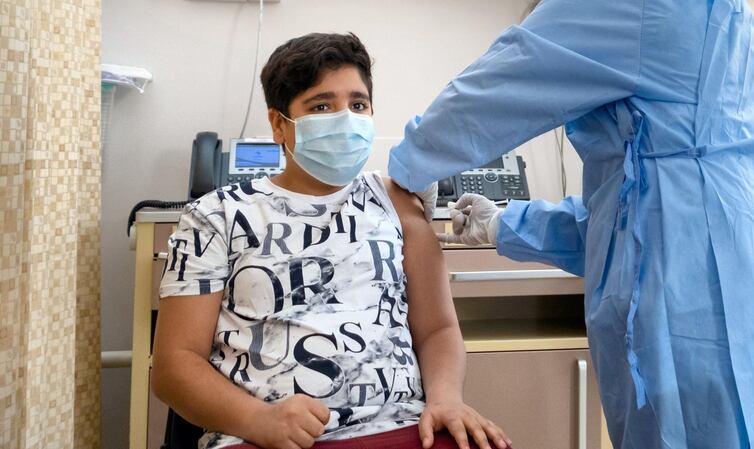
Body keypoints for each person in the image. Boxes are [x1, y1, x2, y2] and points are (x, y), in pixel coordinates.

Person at [388, 0, 754, 449]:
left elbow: (502, 80)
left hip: (693, 304)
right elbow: (632, 213)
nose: (566, 0)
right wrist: (505, 225)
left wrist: (405, 165)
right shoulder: (719, 9)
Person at [152, 33, 510, 449]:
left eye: (358, 105)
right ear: (277, 124)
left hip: (404, 427)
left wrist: (447, 399)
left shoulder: (396, 202)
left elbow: (437, 328)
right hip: (264, 436)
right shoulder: (216, 215)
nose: (346, 119)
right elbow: (174, 366)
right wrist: (257, 419)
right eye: (322, 106)